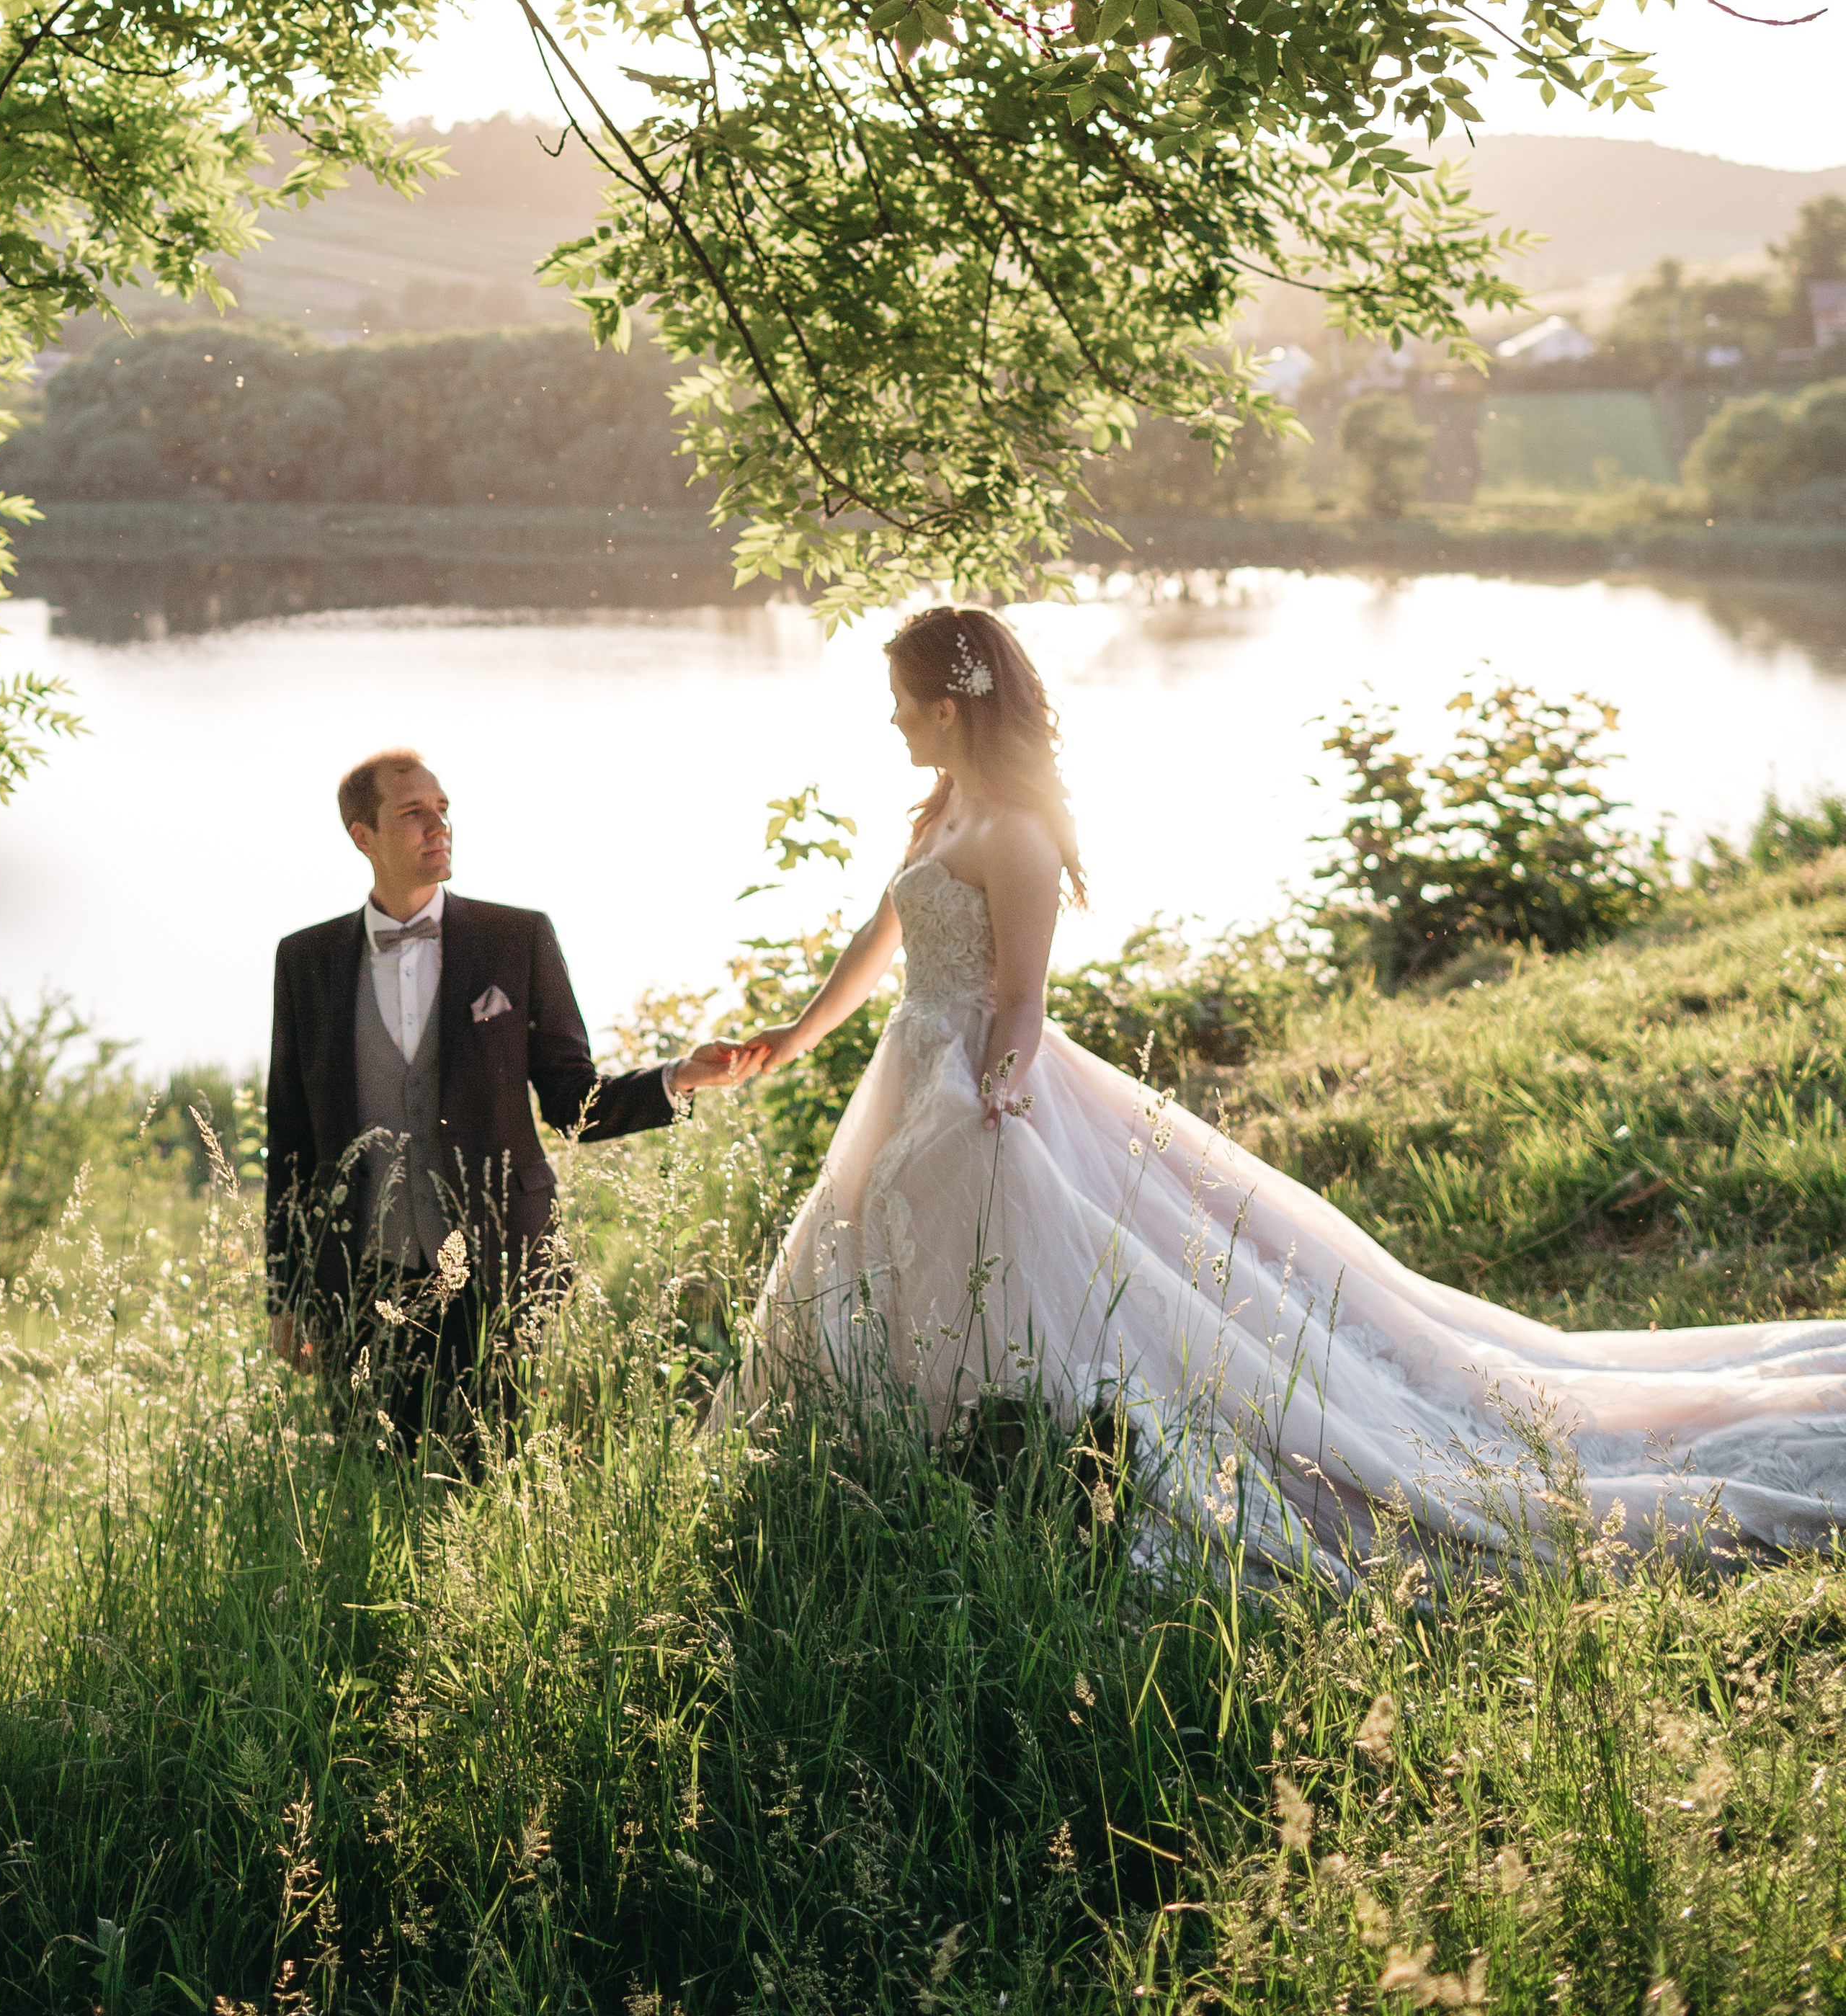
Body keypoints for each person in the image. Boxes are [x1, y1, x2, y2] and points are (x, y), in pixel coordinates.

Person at [709, 601, 1846, 1571]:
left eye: (905, 699)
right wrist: (794, 1036)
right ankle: (887, 1463)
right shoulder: (942, 808)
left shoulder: (1016, 832)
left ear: (950, 706)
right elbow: (882, 932)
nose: (895, 718)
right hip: (909, 1071)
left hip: (981, 1083)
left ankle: (1030, 1463)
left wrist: (997, 1092)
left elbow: (1023, 997)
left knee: (1028, 1280)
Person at [267, 744, 744, 1462]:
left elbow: (572, 1101)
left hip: (500, 1263)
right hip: (361, 1275)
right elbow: (292, 1140)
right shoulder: (305, 961)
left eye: (443, 811)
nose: (439, 826)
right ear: (362, 836)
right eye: (413, 814)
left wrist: (680, 1076)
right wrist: (289, 1292)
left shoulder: (515, 939)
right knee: (374, 1472)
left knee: (491, 1466)